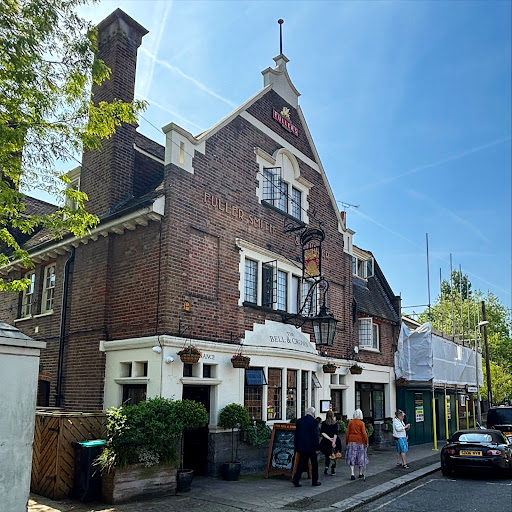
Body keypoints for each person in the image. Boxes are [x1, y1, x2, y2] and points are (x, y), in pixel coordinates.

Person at [292, 407, 322, 487]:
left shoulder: (300, 421)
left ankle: (296, 479)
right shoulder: (314, 422)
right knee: (314, 464)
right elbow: (316, 436)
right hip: (312, 446)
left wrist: (296, 445)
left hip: (302, 446)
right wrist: (317, 447)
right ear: (313, 413)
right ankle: (314, 481)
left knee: (301, 463)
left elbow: (296, 434)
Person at [345, 409, 369, 480]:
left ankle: (352, 473)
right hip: (360, 441)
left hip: (351, 441)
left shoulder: (351, 422)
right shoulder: (361, 423)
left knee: (352, 456)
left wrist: (347, 442)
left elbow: (347, 433)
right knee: (360, 457)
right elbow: (364, 433)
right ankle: (360, 473)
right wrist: (366, 442)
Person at [320, 410, 342, 475]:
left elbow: (322, 432)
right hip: (335, 441)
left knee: (327, 455)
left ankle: (326, 467)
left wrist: (329, 438)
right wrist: (333, 442)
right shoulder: (335, 423)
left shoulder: (324, 423)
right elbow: (335, 433)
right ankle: (333, 469)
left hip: (326, 441)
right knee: (333, 455)